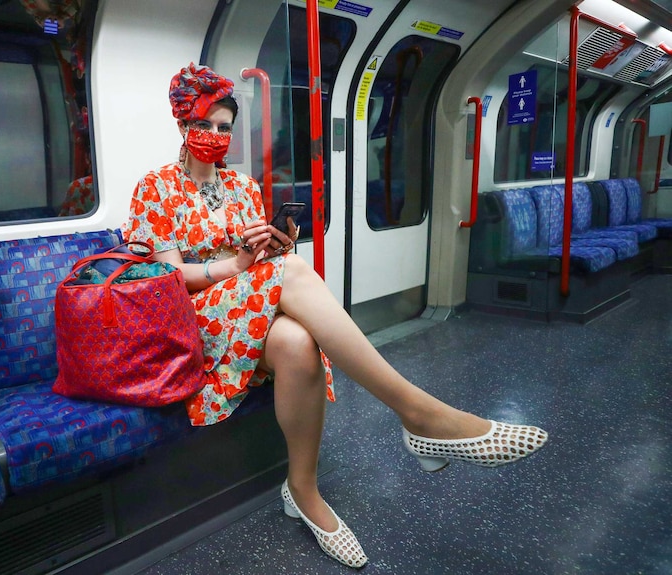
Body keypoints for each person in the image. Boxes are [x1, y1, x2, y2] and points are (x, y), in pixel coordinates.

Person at [122, 63, 548, 569]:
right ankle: (420, 414)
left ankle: (301, 489)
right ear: (183, 126)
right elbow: (170, 278)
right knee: (295, 272)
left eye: (224, 127)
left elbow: (256, 260)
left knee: (298, 341)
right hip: (197, 318)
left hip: (248, 306)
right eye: (204, 126)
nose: (215, 136)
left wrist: (269, 248)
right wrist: (237, 265)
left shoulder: (242, 186)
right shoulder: (155, 188)